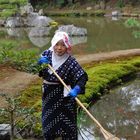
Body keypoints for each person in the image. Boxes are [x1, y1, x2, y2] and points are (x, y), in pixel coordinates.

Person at [38, 31, 88, 140]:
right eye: (57, 44)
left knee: (68, 129)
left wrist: (77, 89)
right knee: (48, 126)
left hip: (66, 99)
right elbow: (36, 70)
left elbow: (82, 77)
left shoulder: (70, 61)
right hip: (49, 98)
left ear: (67, 46)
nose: (59, 48)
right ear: (53, 44)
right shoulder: (46, 55)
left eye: (63, 45)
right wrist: (39, 63)